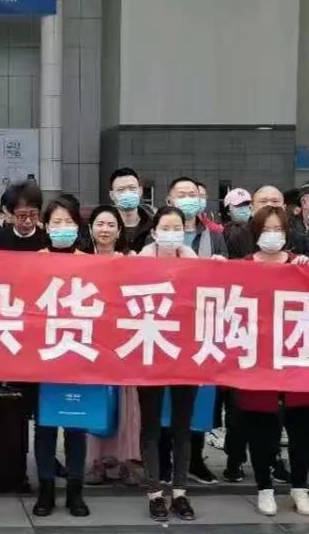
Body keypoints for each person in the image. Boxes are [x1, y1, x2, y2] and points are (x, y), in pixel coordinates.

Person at [237, 206, 309, 517]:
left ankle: (300, 487)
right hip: (257, 359)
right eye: (266, 230)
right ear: (256, 233)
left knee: (302, 427)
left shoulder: (300, 264)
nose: (272, 235)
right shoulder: (243, 266)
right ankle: (264, 488)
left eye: (278, 229)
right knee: (261, 427)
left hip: (297, 355)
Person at [137, 206, 197, 521]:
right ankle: (154, 493)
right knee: (151, 427)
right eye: (166, 227)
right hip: (149, 352)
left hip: (186, 356)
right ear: (154, 232)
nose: (172, 233)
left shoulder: (198, 265)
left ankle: (181, 493)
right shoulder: (137, 265)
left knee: (182, 427)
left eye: (178, 228)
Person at [32, 197, 90, 518]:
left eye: (69, 222)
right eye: (57, 222)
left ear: (78, 227)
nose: (63, 228)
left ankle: (75, 490)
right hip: (43, 355)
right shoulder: (34, 261)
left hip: (78, 354)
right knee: (45, 426)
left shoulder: (90, 263)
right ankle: (46, 489)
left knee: (76, 426)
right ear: (46, 226)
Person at [165, 177, 225, 484]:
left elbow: (228, 276)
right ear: (169, 199)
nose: (189, 198)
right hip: (165, 321)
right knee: (165, 392)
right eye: (182, 194)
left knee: (200, 394)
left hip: (202, 322)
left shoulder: (214, 236)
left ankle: (194, 458)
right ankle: (164, 459)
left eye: (193, 194)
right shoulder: (160, 231)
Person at [83, 206, 141, 488]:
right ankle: (96, 463)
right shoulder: (80, 260)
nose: (104, 230)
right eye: (100, 224)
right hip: (91, 341)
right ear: (91, 228)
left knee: (126, 402)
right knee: (95, 399)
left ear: (119, 231)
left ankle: (127, 461)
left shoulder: (131, 260)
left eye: (110, 225)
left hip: (123, 341)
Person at [0, 181, 49, 252]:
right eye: (22, 216)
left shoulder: (47, 241)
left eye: (33, 215)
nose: (28, 221)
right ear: (9, 213)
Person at [108, 167, 152, 253]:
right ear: (112, 195)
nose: (127, 193)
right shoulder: (103, 227)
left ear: (140, 191)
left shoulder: (154, 223)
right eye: (121, 190)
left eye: (132, 188)